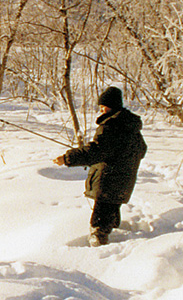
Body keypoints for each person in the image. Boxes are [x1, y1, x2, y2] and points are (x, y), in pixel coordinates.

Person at [53, 86, 147, 246]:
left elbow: (95, 151)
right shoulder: (131, 126)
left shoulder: (112, 126)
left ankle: (100, 256)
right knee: (110, 213)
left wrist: (67, 158)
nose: (101, 109)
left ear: (112, 105)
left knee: (99, 224)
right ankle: (110, 245)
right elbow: (141, 149)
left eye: (104, 106)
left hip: (108, 181)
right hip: (123, 180)